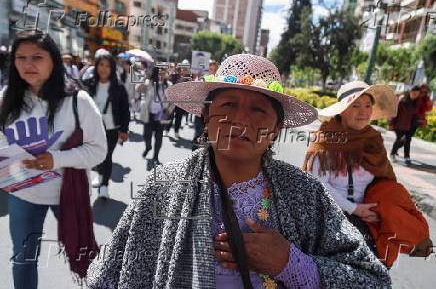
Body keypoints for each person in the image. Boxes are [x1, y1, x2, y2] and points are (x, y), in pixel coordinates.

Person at [87, 55, 391, 288]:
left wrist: (291, 263)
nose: (240, 121)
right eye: (229, 104)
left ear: (276, 130)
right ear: (206, 117)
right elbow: (107, 275)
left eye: (259, 110)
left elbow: (373, 279)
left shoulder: (306, 193)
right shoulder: (162, 186)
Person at [0, 30, 107, 289]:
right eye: (21, 57)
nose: (28, 64)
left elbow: (98, 150)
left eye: (37, 57)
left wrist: (56, 159)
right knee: (23, 260)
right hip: (22, 195)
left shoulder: (77, 101)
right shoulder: (6, 99)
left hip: (68, 195)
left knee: (85, 255)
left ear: (53, 61)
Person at [303, 81, 398, 259]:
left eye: (368, 105)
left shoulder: (373, 140)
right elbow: (318, 186)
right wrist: (354, 209)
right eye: (356, 105)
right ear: (343, 110)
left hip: (367, 222)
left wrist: (382, 209)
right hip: (329, 220)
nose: (363, 111)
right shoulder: (325, 140)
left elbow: (384, 181)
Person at [83, 51, 130, 199]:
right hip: (92, 128)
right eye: (101, 65)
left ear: (112, 68)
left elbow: (125, 110)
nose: (104, 68)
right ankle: (101, 175)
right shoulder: (89, 84)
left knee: (107, 155)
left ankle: (104, 186)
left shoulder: (119, 87)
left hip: (111, 128)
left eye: (107, 66)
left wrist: (124, 130)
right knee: (97, 156)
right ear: (96, 66)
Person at [137, 67, 172, 164]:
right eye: (159, 73)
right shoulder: (149, 83)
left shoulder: (168, 85)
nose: (161, 75)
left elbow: (173, 101)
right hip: (149, 114)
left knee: (158, 137)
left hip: (160, 116)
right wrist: (143, 78)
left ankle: (155, 156)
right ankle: (148, 147)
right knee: (146, 135)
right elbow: (138, 90)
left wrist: (169, 110)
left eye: (163, 73)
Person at [388, 87, 420, 164]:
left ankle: (404, 155)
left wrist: (418, 119)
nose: (415, 95)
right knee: (400, 138)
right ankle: (393, 154)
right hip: (398, 123)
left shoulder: (415, 102)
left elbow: (413, 114)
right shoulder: (402, 100)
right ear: (410, 92)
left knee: (406, 140)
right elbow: (395, 111)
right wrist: (391, 123)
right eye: (414, 93)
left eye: (417, 94)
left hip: (408, 125)